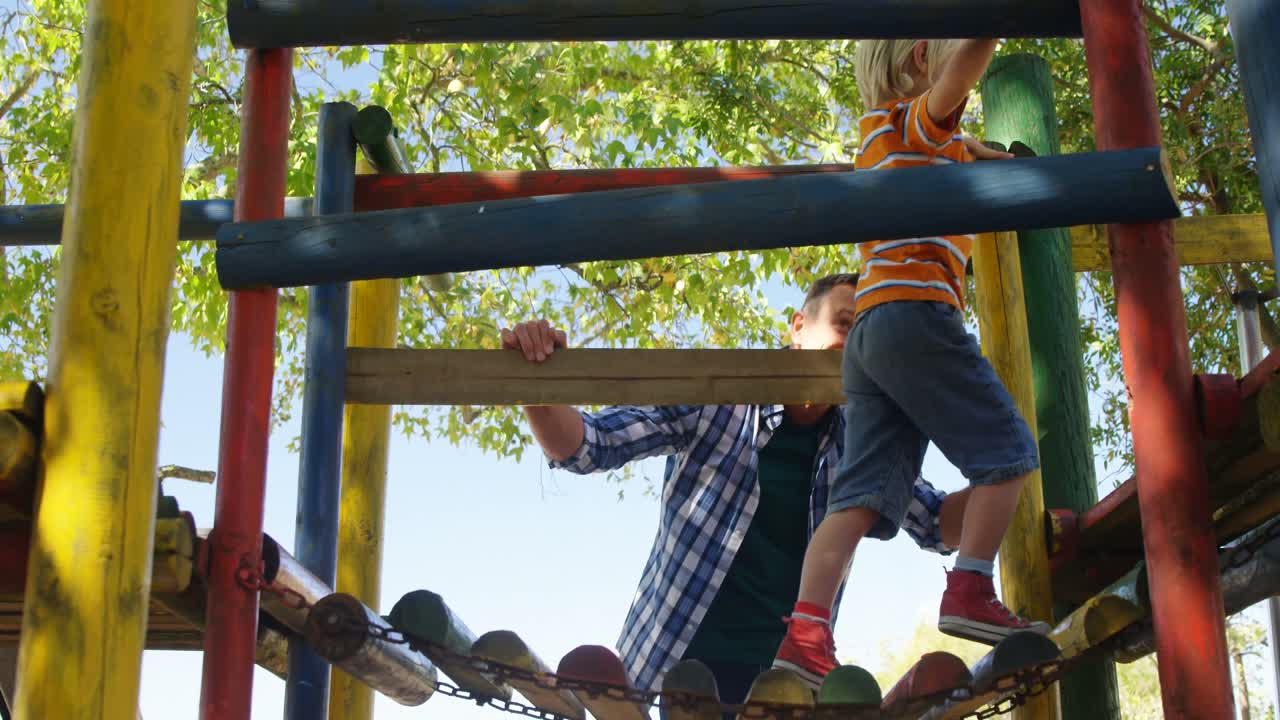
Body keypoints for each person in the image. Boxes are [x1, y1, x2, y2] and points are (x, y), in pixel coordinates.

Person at [501, 273, 970, 716]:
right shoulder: (722, 399)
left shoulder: (866, 445)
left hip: (780, 692)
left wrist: (1005, 464)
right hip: (670, 675)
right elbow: (589, 445)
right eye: (846, 324)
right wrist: (536, 383)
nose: (857, 344)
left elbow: (935, 521)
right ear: (799, 327)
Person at [771, 38, 1051, 690]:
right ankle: (972, 587)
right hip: (919, 315)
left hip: (870, 336)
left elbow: (948, 147)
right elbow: (951, 95)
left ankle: (806, 632)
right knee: (1009, 450)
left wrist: (974, 151)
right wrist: (986, 28)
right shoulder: (919, 122)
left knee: (859, 497)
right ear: (924, 59)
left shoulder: (886, 138)